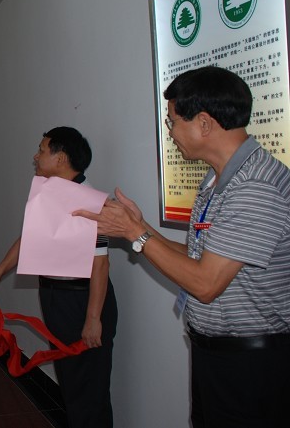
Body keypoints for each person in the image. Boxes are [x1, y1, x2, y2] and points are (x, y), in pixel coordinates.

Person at [75, 66, 290, 428]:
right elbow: (198, 259)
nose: (171, 132)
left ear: (204, 123)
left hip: (252, 365)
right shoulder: (219, 180)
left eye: (173, 121)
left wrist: (135, 234)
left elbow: (206, 284)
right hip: (217, 356)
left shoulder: (254, 186)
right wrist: (140, 227)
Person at [0, 127, 117, 428]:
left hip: (84, 301)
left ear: (61, 158)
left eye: (42, 150)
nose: (36, 156)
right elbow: (29, 238)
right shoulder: (50, 194)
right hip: (57, 299)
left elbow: (100, 265)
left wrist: (93, 319)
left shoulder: (91, 202)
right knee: (71, 383)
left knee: (89, 387)